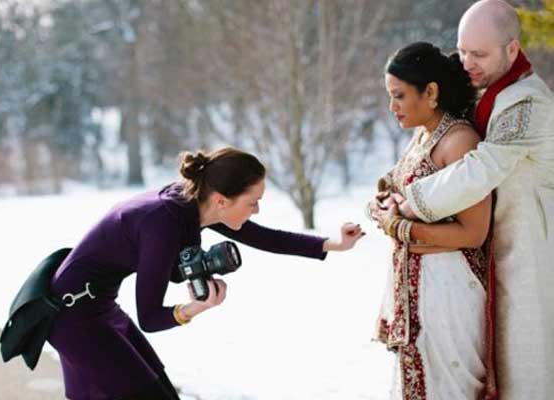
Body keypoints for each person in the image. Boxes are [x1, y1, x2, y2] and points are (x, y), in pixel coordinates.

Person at [47, 147, 365, 400]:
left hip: (95, 307)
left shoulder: (193, 203)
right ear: (222, 200)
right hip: (74, 316)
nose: (257, 210)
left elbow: (266, 237)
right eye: (253, 203)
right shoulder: (164, 223)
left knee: (157, 388)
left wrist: (335, 244)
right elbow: (150, 316)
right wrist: (195, 308)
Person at [374, 1, 554, 398]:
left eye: (480, 53)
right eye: (463, 50)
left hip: (525, 255)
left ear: (511, 49)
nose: (468, 61)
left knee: (525, 375)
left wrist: (407, 207)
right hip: (484, 260)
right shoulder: (484, 90)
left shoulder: (528, 101)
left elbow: (480, 167)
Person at [370, 42, 492, 399]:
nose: (392, 107)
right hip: (416, 289)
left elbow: (473, 233)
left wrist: (399, 227)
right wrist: (382, 204)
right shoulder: (422, 136)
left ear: (431, 92)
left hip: (448, 292)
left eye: (399, 96)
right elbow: (392, 189)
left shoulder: (459, 143)